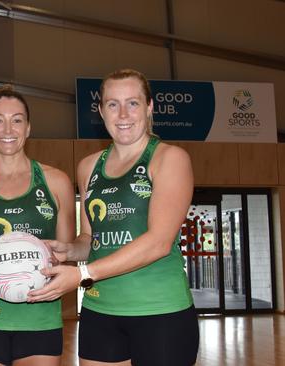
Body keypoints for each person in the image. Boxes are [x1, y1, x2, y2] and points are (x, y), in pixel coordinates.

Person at [28, 68, 200, 365]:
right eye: (112, 104)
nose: (123, 114)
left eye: (132, 103)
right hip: (100, 310)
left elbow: (159, 242)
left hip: (160, 312)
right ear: (101, 111)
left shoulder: (170, 158)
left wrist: (82, 274)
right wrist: (68, 250)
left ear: (149, 108)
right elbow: (90, 240)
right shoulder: (87, 166)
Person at [0, 85, 75, 366]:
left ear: (28, 128)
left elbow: (68, 259)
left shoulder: (56, 182)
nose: (8, 129)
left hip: (40, 319)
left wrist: (58, 273)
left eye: (17, 120)